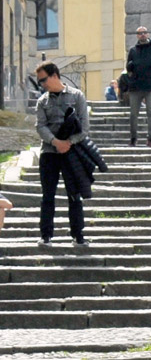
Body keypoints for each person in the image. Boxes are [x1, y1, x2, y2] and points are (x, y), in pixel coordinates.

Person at [34, 61, 90, 248]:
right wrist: (55, 142)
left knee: (74, 194)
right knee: (47, 195)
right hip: (49, 153)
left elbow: (84, 126)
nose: (42, 84)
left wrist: (68, 143)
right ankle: (46, 234)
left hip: (71, 153)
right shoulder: (42, 101)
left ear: (55, 76)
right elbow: (40, 126)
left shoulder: (77, 96)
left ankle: (78, 234)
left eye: (43, 79)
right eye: (40, 81)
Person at [125, 26, 151, 147]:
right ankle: (133, 138)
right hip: (135, 86)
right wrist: (131, 66)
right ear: (137, 36)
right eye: (140, 33)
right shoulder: (133, 50)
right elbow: (128, 67)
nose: (142, 35)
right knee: (133, 114)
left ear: (148, 34)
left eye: (144, 33)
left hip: (150, 86)